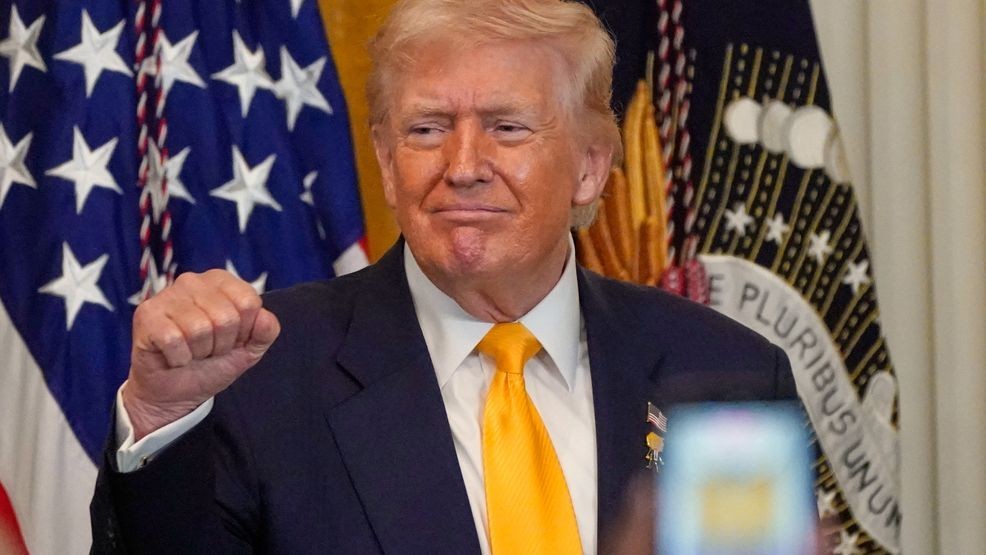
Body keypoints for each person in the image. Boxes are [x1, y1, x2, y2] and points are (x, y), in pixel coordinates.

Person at [90, 0, 796, 553]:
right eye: (427, 128)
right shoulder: (260, 374)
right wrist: (160, 421)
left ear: (589, 166)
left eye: (507, 127)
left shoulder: (723, 374)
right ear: (388, 164)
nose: (462, 165)